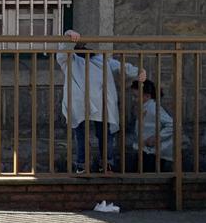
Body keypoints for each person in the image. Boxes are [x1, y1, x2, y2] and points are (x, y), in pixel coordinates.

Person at [57, 29, 146, 174]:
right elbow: (62, 50)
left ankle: (104, 164)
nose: (82, 48)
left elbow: (121, 68)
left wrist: (138, 72)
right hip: (81, 103)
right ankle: (83, 164)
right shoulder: (70, 59)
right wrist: (69, 34)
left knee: (104, 135)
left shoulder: (100, 59)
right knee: (83, 136)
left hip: (101, 103)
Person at [131, 79, 175, 173]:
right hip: (146, 150)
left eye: (136, 96)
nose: (134, 99)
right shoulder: (145, 107)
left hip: (153, 153)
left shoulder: (153, 108)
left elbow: (172, 125)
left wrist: (155, 138)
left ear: (147, 96)